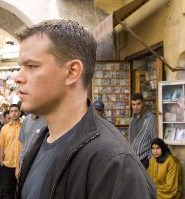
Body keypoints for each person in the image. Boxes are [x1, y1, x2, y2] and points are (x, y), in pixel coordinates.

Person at [13, 19, 156, 199]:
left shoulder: (113, 162)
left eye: (32, 66)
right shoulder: (39, 141)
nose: (17, 76)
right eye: (20, 66)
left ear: (72, 71)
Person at [0, 104, 21, 199]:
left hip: (21, 165)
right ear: (9, 114)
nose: (14, 113)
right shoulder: (4, 128)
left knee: (20, 190)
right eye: (11, 111)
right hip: (8, 165)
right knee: (7, 191)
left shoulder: (24, 127)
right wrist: (1, 162)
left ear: (19, 112)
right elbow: (1, 146)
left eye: (16, 111)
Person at [129, 93, 157, 168]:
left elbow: (154, 139)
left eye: (138, 104)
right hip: (133, 159)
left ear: (143, 103)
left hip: (144, 159)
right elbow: (130, 139)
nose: (136, 107)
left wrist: (149, 158)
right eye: (133, 104)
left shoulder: (151, 118)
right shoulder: (132, 120)